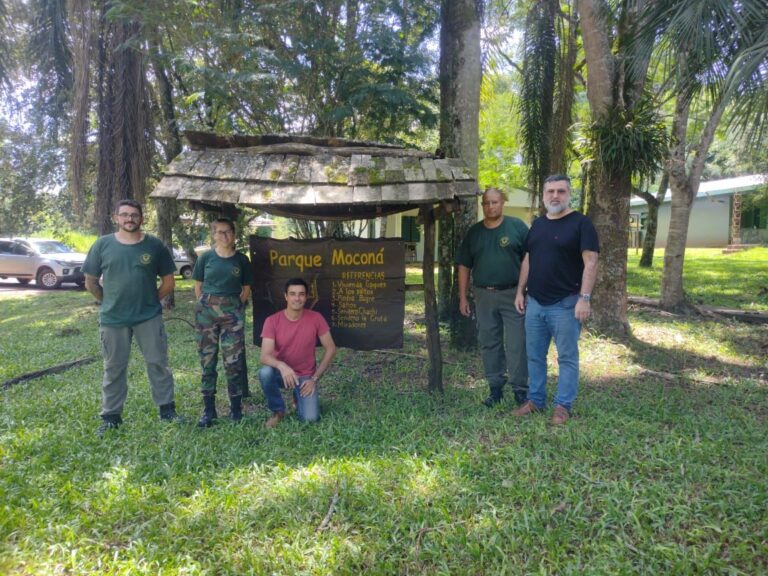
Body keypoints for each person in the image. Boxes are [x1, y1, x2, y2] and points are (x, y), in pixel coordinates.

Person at [83, 199, 180, 436]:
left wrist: (150, 300)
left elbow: (168, 282)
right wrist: (108, 301)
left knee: (158, 363)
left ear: (142, 218)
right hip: (113, 319)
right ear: (115, 218)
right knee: (114, 367)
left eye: (134, 215)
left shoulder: (155, 246)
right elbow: (91, 282)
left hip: (148, 317)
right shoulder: (102, 245)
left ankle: (167, 410)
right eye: (124, 215)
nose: (129, 219)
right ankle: (111, 417)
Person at [513, 174, 599, 425]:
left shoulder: (581, 224)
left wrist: (584, 298)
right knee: (535, 356)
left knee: (567, 357)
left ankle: (563, 406)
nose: (555, 196)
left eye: (561, 191)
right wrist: (521, 291)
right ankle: (535, 400)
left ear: (569, 194)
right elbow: (528, 259)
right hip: (535, 303)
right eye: (550, 191)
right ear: (543, 196)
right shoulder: (538, 225)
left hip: (566, 303)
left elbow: (591, 261)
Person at [456, 187, 530, 408]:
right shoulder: (475, 233)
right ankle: (495, 388)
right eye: (487, 203)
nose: (491, 206)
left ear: (503, 203)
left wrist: (524, 290)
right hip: (484, 295)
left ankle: (520, 390)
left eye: (495, 202)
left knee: (517, 343)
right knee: (489, 342)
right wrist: (462, 297)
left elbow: (530, 258)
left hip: (513, 294)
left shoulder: (516, 227)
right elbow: (464, 266)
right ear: (482, 206)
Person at [193, 217, 253, 427]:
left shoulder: (242, 260)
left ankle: (236, 409)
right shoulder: (206, 258)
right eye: (220, 232)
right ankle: (209, 411)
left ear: (234, 234)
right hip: (206, 314)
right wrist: (207, 306)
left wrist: (234, 307)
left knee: (233, 361)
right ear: (213, 235)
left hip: (232, 315)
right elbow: (198, 287)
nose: (225, 236)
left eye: (228, 231)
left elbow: (246, 290)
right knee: (207, 361)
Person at [258, 278, 336, 428]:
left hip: (305, 376)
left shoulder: (316, 318)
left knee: (310, 419)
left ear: (306, 297)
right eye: (292, 294)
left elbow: (331, 348)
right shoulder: (272, 321)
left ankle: (297, 395)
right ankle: (278, 411)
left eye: (301, 294)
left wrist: (314, 378)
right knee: (265, 373)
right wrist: (282, 366)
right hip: (282, 374)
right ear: (286, 296)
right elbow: (264, 356)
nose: (297, 298)